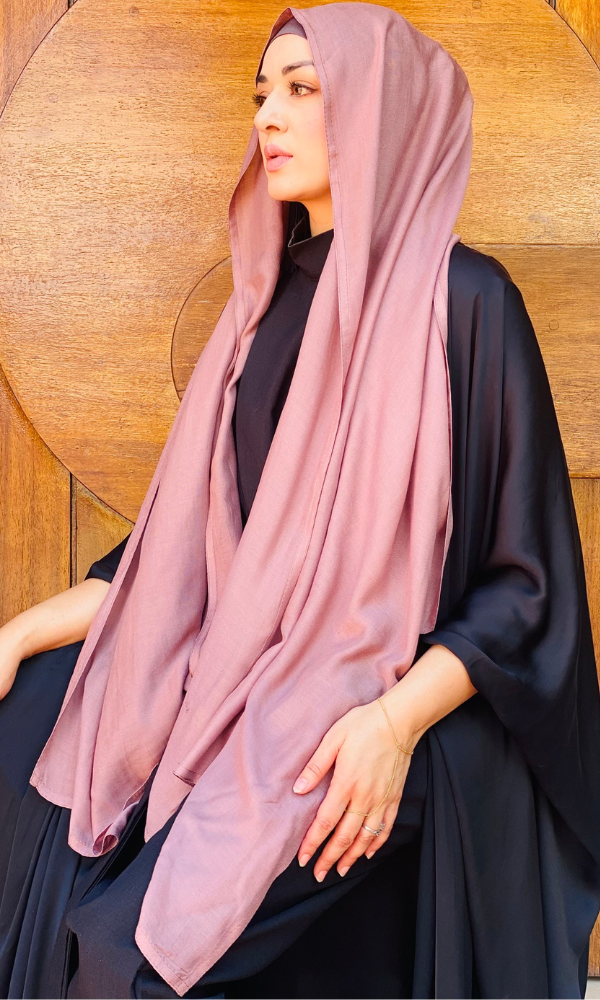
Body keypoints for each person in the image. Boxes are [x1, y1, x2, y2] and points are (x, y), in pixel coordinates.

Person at [1, 4, 600, 998]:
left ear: (378, 107)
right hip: (245, 675)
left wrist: (393, 726)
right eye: (261, 94)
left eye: (302, 89)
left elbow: (525, 588)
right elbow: (184, 557)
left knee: (127, 961)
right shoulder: (261, 307)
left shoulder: (467, 301)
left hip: (372, 700)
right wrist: (20, 632)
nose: (267, 117)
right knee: (31, 738)